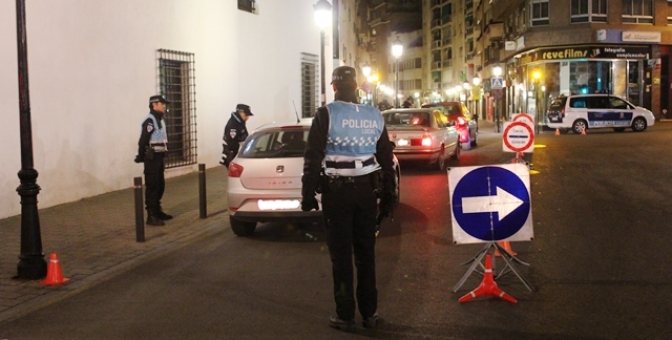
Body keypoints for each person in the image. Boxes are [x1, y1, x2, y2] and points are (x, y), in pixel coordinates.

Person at [301, 66, 397, 332]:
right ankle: (370, 314)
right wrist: (389, 197)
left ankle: (345, 315)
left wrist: (307, 195)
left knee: (341, 257)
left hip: (336, 193)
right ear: (356, 86)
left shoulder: (326, 114)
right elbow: (386, 159)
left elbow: (312, 157)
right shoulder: (375, 115)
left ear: (334, 87)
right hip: (367, 193)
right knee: (366, 254)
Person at [134, 95, 173, 226]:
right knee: (152, 186)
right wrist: (140, 156)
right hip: (152, 158)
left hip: (159, 157)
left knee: (160, 185)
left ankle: (157, 211)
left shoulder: (159, 119)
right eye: (162, 103)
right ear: (154, 105)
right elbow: (143, 140)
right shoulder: (150, 120)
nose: (164, 105)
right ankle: (151, 215)